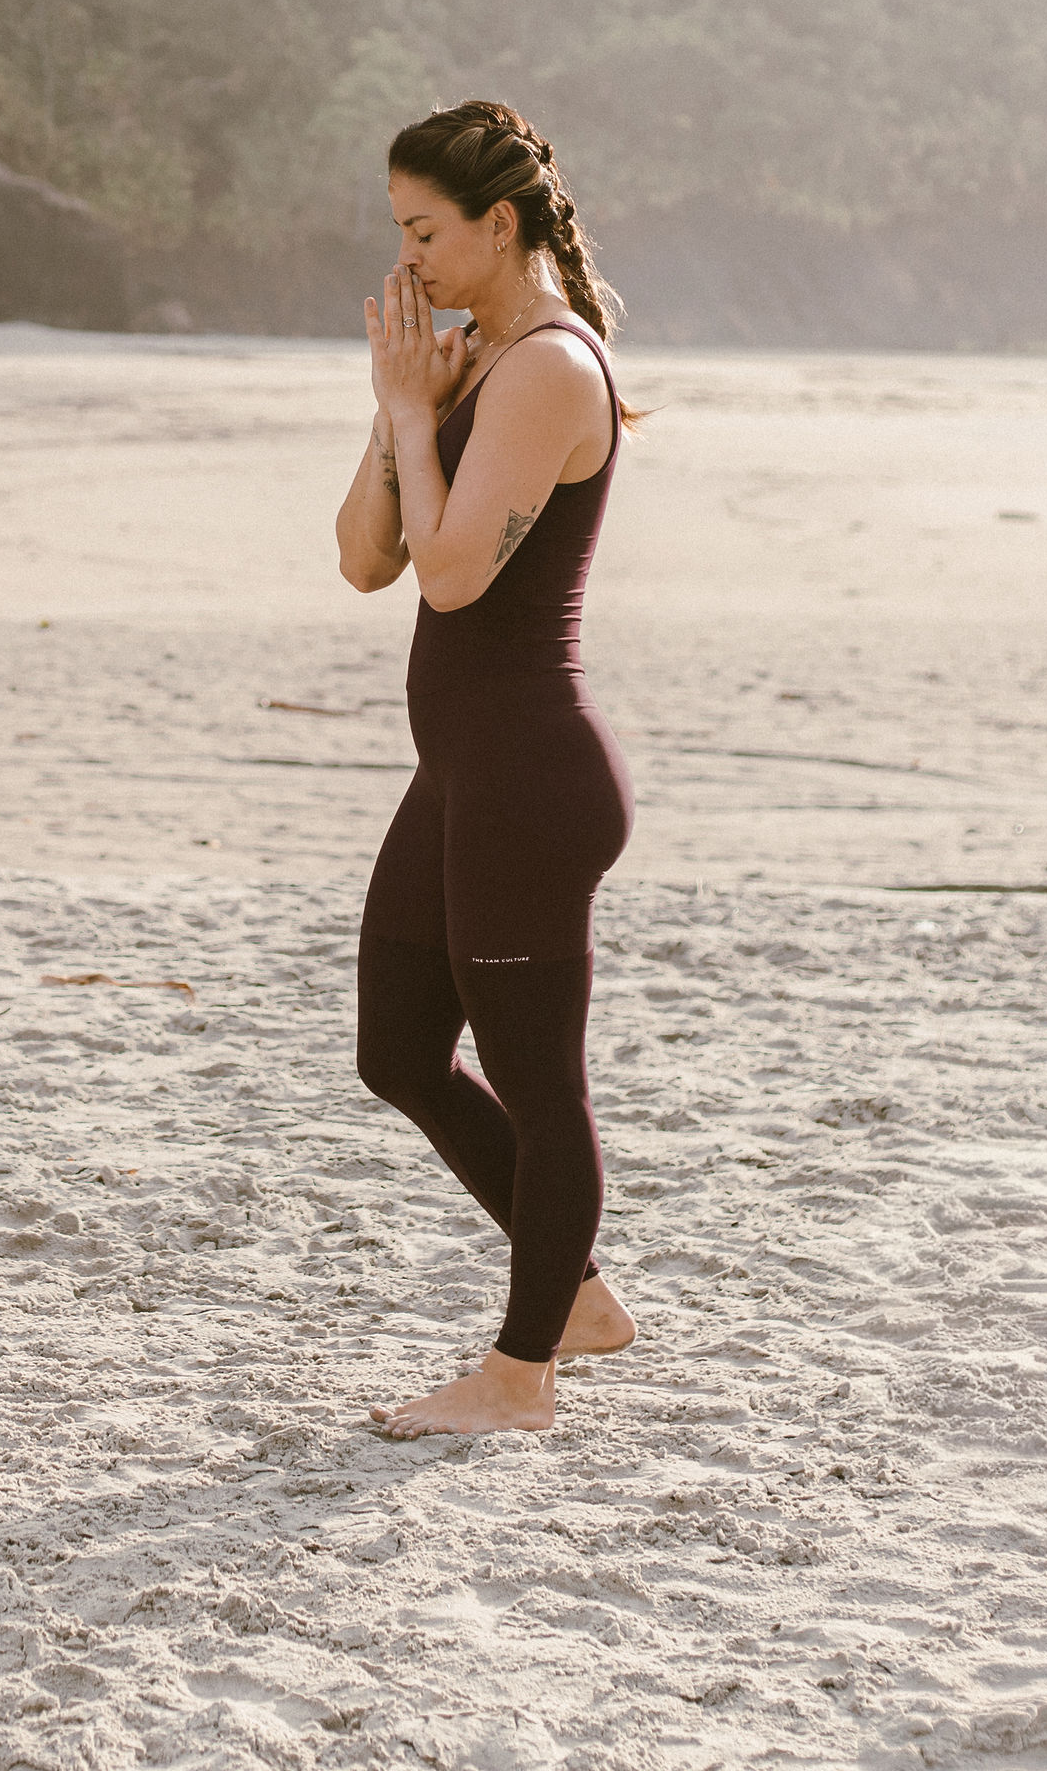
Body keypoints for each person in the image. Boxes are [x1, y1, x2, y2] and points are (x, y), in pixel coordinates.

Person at [334, 99, 641, 1437]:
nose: (406, 259)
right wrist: (396, 411)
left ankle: (522, 1376)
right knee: (399, 1051)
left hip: (530, 781)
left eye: (424, 232)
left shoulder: (552, 370)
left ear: (498, 224)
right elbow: (365, 559)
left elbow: (453, 577)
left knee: (539, 1086)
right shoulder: (474, 363)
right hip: (464, 773)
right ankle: (576, 1298)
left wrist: (420, 414)